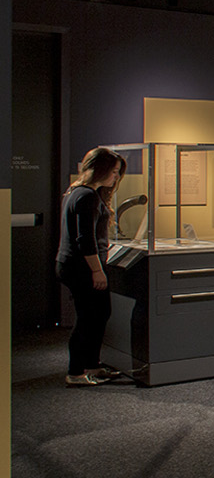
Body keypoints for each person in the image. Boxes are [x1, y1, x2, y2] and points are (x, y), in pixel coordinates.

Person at [56, 146, 127, 385]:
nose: (116, 177)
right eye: (114, 171)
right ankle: (76, 372)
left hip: (75, 265)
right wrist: (97, 270)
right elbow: (84, 239)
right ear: (99, 169)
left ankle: (92, 366)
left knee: (99, 314)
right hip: (82, 268)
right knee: (87, 318)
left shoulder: (77, 192)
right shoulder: (86, 196)